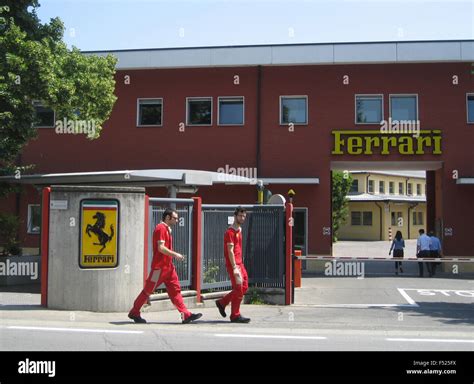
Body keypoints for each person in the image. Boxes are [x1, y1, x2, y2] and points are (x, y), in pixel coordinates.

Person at [128, 208, 202, 324]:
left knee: (175, 290)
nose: (177, 220)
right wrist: (175, 254)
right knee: (148, 290)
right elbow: (160, 248)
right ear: (168, 217)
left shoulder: (166, 229)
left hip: (168, 267)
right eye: (175, 218)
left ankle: (186, 314)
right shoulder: (161, 228)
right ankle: (134, 312)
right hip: (159, 268)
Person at [215, 207, 250, 323]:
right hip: (234, 264)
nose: (242, 218)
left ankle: (222, 302)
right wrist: (235, 267)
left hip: (240, 263)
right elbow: (230, 251)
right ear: (235, 216)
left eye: (244, 216)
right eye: (240, 216)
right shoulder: (230, 232)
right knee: (239, 289)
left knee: (244, 287)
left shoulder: (239, 229)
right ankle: (235, 315)